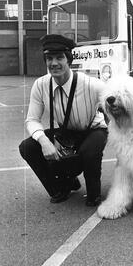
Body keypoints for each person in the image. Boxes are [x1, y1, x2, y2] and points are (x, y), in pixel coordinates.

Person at [19, 34, 107, 206]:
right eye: (49, 58)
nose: (54, 63)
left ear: (69, 60)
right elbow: (31, 119)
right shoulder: (40, 84)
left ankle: (94, 194)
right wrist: (44, 142)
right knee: (28, 147)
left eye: (59, 58)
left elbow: (117, 100)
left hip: (93, 129)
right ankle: (61, 187)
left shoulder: (92, 84)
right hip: (66, 132)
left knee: (89, 151)